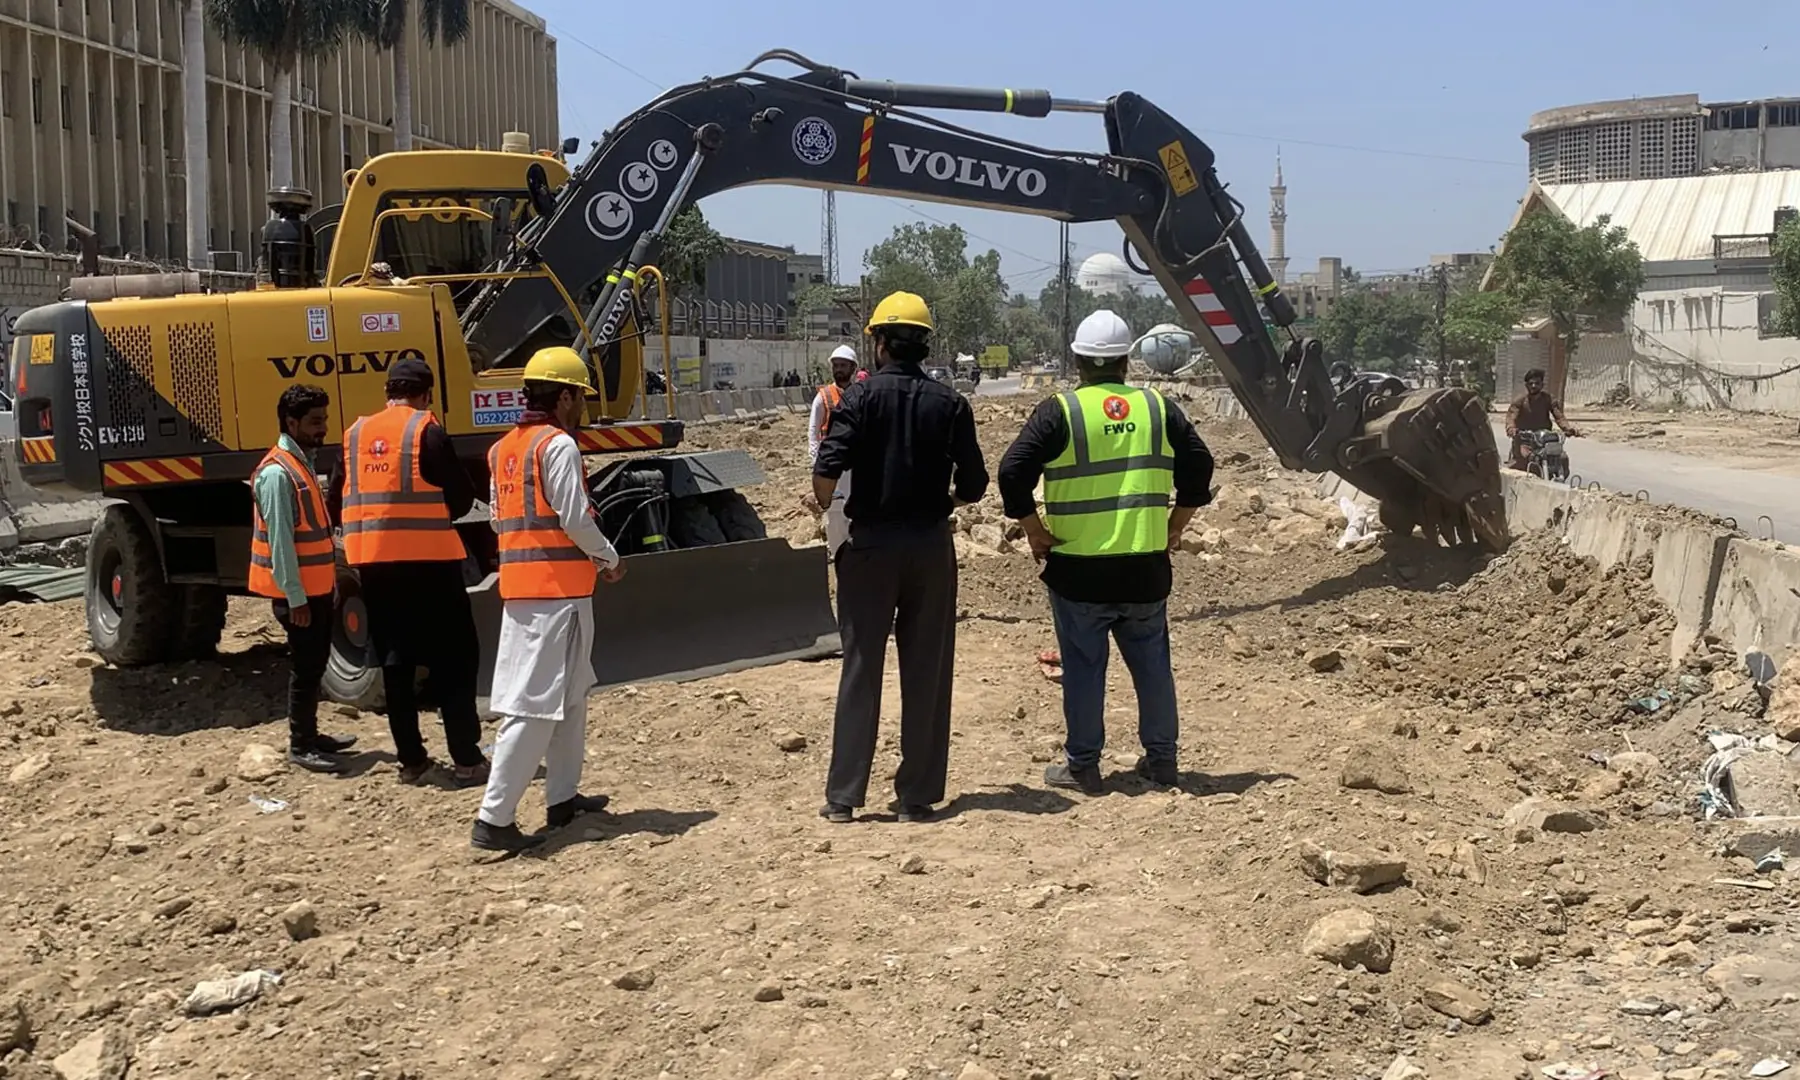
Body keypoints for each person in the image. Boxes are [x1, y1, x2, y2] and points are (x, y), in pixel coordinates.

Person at [998, 310, 1216, 795]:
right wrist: (1176, 525)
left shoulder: (1062, 411)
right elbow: (1200, 464)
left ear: (1078, 360)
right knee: (1153, 666)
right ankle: (1162, 763)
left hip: (1079, 572)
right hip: (1145, 567)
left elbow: (1012, 471)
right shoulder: (1159, 409)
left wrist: (1035, 530)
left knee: (1082, 668)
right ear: (1125, 361)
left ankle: (1084, 766)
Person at [812, 292, 988, 824]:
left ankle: (843, 798)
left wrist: (828, 505)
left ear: (880, 343)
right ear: (924, 344)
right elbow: (975, 483)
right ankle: (917, 796)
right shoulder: (950, 402)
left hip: (869, 549)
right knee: (927, 668)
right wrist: (944, 502)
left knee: (861, 666)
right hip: (930, 548)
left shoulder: (858, 400)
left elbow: (826, 468)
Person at [471, 347, 625, 853]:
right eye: (579, 397)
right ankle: (494, 819)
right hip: (555, 594)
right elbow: (575, 518)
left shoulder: (503, 450)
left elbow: (500, 521)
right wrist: (608, 557)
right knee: (535, 707)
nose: (581, 406)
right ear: (562, 396)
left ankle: (562, 799)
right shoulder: (556, 446)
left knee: (572, 696)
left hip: (529, 591)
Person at [329, 357, 490, 788]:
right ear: (425, 395)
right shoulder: (426, 430)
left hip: (375, 567)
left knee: (395, 661)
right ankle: (466, 759)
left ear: (388, 392)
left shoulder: (354, 435)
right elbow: (459, 498)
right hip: (431, 564)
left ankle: (412, 761)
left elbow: (335, 500)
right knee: (454, 659)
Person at [249, 385, 358, 774]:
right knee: (307, 666)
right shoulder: (279, 474)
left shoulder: (300, 464)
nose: (322, 428)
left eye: (324, 420)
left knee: (314, 664)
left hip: (315, 590)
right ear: (291, 423)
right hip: (299, 597)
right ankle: (301, 744)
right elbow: (281, 543)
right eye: (314, 422)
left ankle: (311, 735)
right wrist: (295, 598)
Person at [809, 344, 859, 557]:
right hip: (834, 466)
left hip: (857, 465)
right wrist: (816, 463)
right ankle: (839, 554)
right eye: (836, 365)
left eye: (843, 365)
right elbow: (813, 432)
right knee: (836, 515)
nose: (839, 369)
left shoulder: (862, 394)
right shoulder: (824, 397)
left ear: (853, 368)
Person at [1504, 368, 1581, 469]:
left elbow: (1559, 416)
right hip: (1525, 439)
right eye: (1531, 383)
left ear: (1542, 385)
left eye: (1537, 383)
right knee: (1523, 461)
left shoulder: (1548, 399)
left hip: (1544, 439)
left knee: (1562, 458)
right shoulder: (1520, 401)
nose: (1534, 386)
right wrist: (1511, 428)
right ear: (1526, 385)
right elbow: (1511, 416)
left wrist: (1568, 429)